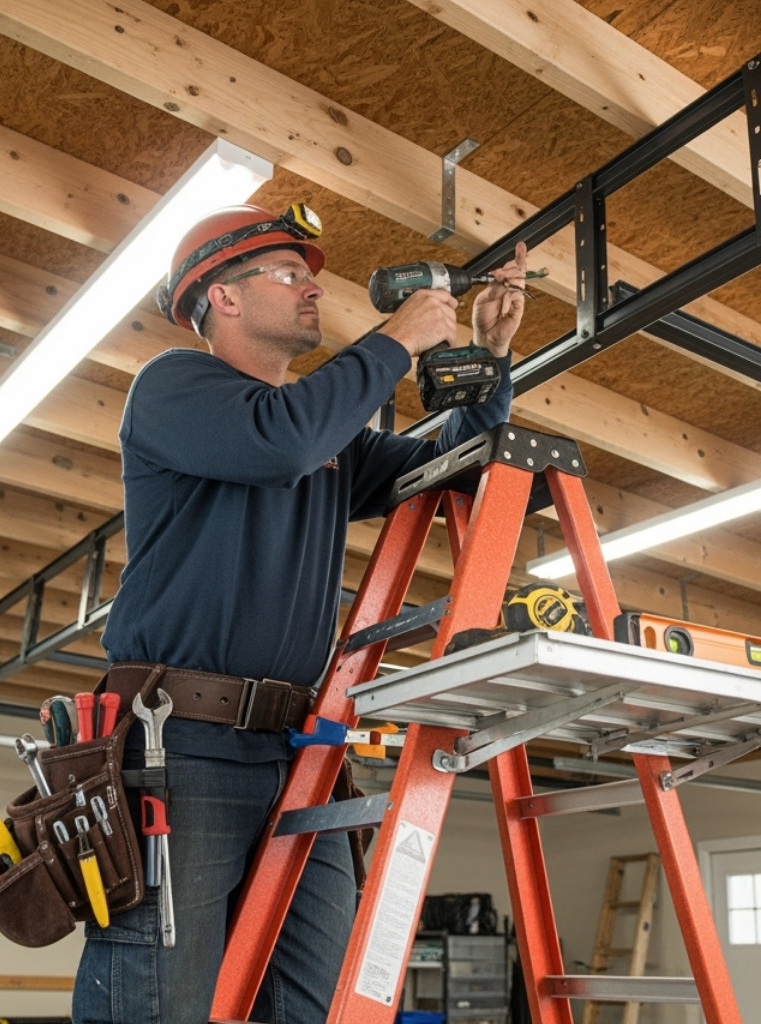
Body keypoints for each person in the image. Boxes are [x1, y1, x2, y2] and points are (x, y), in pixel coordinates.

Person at [73, 202, 528, 1024]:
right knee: (159, 1004)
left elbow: (456, 469)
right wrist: (393, 340)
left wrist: (490, 362)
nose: (313, 288)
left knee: (313, 1001)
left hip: (295, 754)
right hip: (181, 745)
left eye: (309, 276)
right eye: (288, 273)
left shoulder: (330, 438)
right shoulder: (175, 388)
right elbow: (278, 442)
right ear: (222, 297)